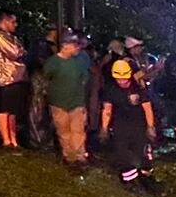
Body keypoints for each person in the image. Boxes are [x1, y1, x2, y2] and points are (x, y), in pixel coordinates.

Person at [100, 58, 156, 187]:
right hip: (120, 124)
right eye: (119, 79)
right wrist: (104, 128)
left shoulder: (138, 87)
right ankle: (129, 179)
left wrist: (150, 126)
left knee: (141, 150)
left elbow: (147, 108)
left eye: (124, 78)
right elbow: (107, 109)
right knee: (121, 151)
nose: (122, 81)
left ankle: (146, 175)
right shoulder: (110, 89)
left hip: (138, 124)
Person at [41, 32, 92, 168]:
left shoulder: (79, 62)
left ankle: (79, 156)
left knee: (78, 130)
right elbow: (47, 76)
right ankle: (69, 156)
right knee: (63, 130)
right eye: (74, 46)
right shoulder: (53, 62)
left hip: (76, 102)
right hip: (58, 102)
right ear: (65, 46)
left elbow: (84, 78)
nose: (77, 49)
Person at [0, 12, 28, 149]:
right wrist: (20, 51)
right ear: (5, 20)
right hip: (4, 77)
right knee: (4, 109)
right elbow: (15, 52)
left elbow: (21, 50)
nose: (15, 25)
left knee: (12, 111)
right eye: (13, 22)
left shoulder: (10, 37)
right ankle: (6, 140)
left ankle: (13, 139)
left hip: (16, 77)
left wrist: (20, 51)